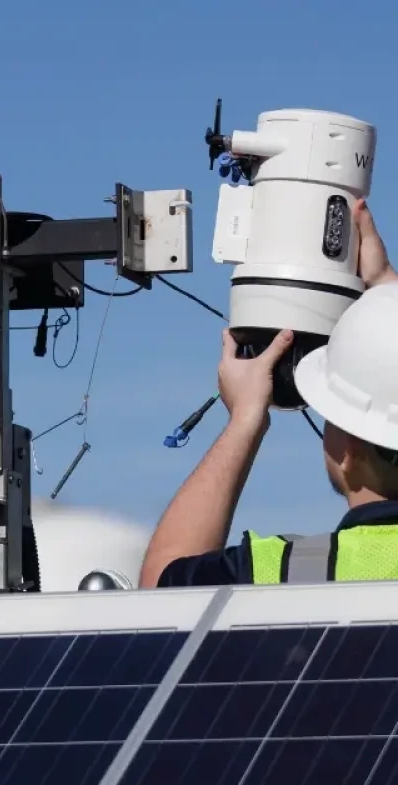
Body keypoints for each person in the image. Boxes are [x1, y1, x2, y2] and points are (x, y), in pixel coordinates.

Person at [140, 199, 398, 588]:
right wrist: (384, 289)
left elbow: (160, 585)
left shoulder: (285, 571)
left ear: (351, 451)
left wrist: (244, 421)